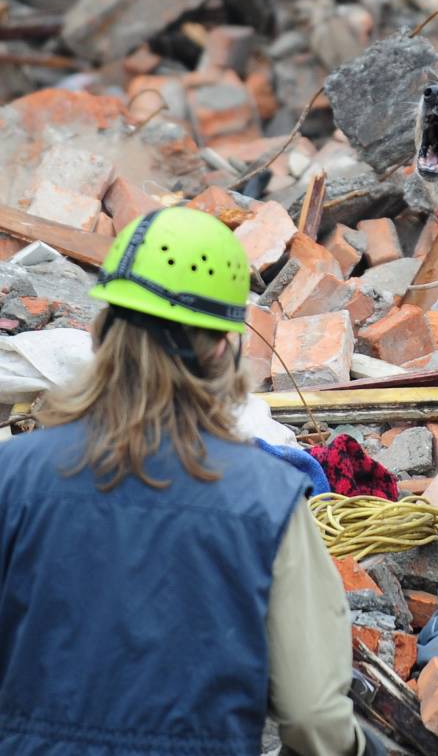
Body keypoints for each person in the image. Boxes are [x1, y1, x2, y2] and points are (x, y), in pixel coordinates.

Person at [0, 207, 373, 756]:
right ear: (223, 347)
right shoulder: (269, 499)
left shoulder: (13, 475)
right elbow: (315, 717)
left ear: (102, 331)